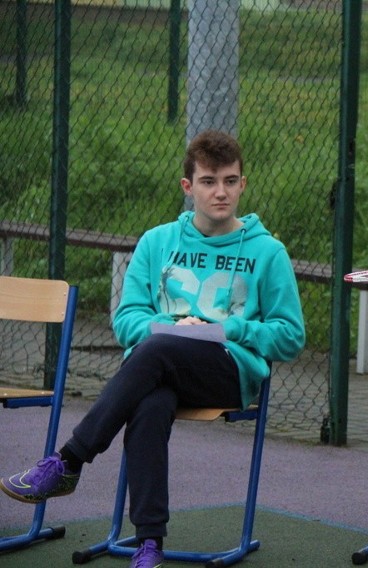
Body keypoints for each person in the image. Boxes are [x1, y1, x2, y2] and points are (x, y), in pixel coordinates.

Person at [0, 130, 306, 568]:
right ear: (188, 187)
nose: (221, 192)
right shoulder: (157, 242)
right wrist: (170, 326)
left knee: (158, 350)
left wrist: (231, 328)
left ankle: (68, 460)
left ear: (242, 184)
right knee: (149, 404)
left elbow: (290, 335)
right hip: (155, 368)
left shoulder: (267, 251)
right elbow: (127, 322)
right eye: (208, 181)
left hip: (226, 371)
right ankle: (149, 544)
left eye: (230, 181)